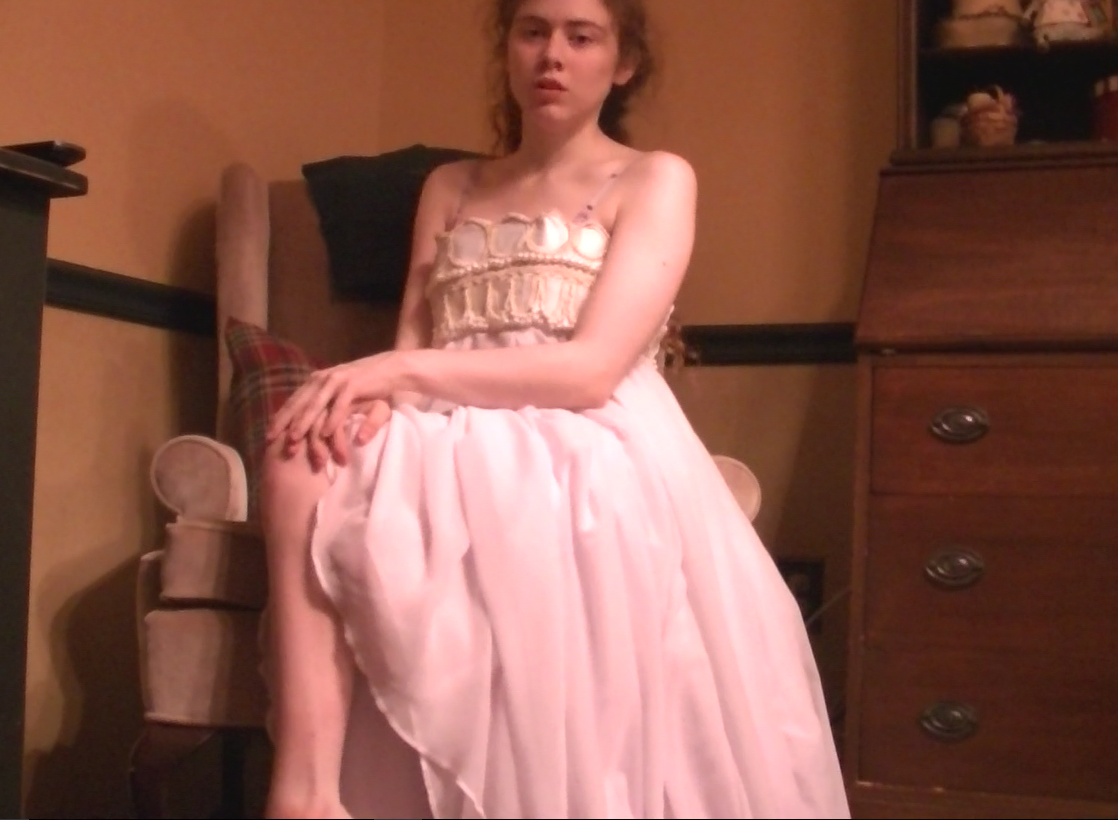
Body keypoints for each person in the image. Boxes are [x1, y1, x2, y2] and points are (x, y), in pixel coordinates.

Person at [258, 0, 851, 817]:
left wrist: (393, 370)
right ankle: (306, 795)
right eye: (532, 31)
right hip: (442, 418)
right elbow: (414, 350)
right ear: (506, 47)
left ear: (623, 62)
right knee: (299, 458)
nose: (552, 55)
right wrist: (363, 405)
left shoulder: (655, 177)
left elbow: (590, 371)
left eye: (581, 36)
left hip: (585, 427)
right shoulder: (450, 185)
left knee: (528, 500)